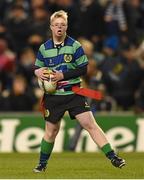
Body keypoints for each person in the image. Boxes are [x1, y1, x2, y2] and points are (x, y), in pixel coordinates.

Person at [33, 10, 125, 173]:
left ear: (66, 26)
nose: (59, 28)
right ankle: (41, 164)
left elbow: (83, 69)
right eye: (56, 25)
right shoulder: (44, 48)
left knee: (90, 125)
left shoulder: (75, 46)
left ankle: (113, 156)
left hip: (73, 92)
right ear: (51, 27)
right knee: (51, 131)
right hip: (53, 96)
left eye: (62, 25)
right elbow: (38, 67)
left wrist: (62, 75)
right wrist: (37, 72)